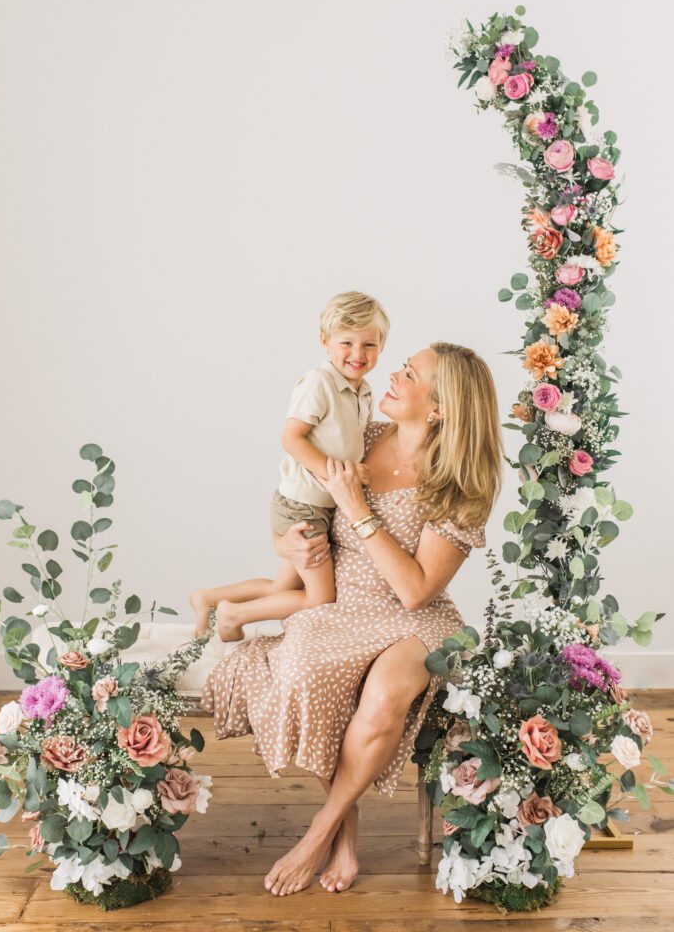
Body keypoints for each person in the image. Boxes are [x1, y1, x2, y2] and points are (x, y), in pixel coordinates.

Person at [198, 342, 503, 896]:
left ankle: (317, 832)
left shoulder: (461, 483)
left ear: (438, 408)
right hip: (339, 603)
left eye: (409, 374)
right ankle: (345, 832)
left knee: (387, 694)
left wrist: (358, 508)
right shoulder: (357, 438)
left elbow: (414, 590)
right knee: (311, 673)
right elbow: (298, 509)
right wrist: (288, 543)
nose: (392, 375)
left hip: (415, 620)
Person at [191, 291, 389, 643]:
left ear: (382, 346)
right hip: (302, 504)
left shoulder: (364, 391)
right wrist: (337, 474)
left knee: (283, 585)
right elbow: (292, 439)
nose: (358, 354)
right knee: (320, 597)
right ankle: (232, 613)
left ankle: (207, 598)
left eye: (369, 345)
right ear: (324, 341)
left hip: (324, 505)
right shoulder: (319, 383)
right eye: (347, 342)